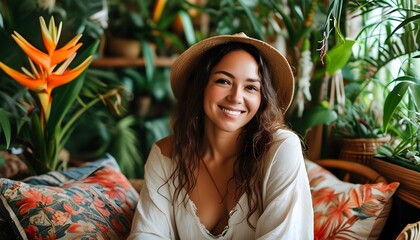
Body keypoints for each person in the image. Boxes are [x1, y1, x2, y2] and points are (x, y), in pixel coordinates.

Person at [128, 33, 313, 239]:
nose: (236, 97)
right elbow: (146, 234)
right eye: (224, 81)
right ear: (201, 86)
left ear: (262, 99)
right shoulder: (166, 155)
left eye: (251, 87)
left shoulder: (280, 148)